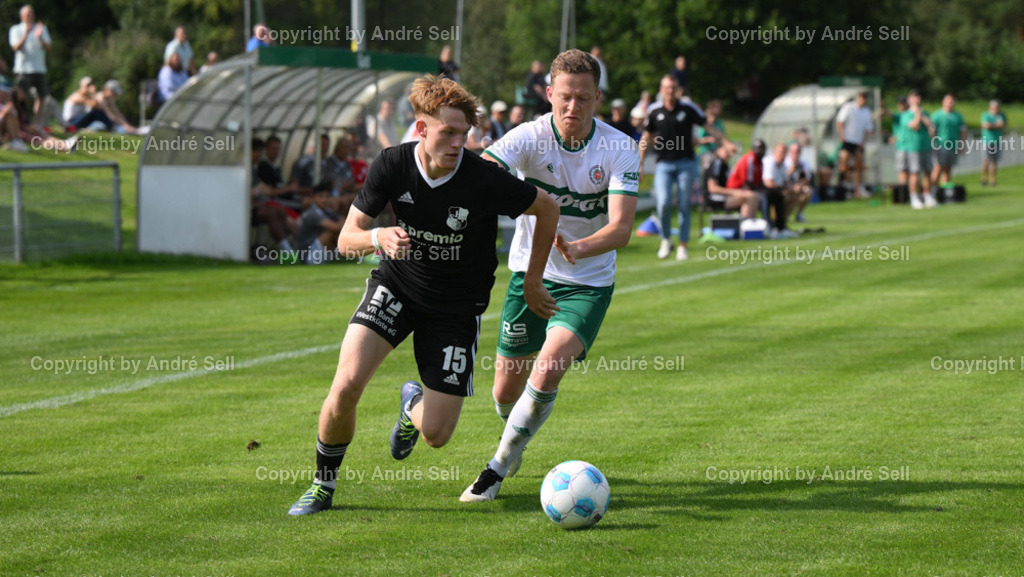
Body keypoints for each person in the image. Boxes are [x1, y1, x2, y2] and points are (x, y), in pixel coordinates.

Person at [287, 74, 559, 516]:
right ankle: (322, 486)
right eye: (448, 132)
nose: (457, 143)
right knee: (346, 384)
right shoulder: (392, 165)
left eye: (463, 134)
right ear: (421, 129)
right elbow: (345, 239)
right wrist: (378, 236)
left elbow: (547, 207)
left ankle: (411, 400)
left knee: (437, 434)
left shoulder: (482, 179)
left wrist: (532, 280)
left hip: (455, 308)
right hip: (397, 287)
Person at [460, 48, 641, 503]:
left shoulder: (619, 147)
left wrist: (577, 247)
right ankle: (514, 436)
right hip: (529, 272)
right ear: (549, 94)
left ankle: (495, 469)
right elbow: (485, 171)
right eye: (565, 97)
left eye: (583, 98)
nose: (573, 108)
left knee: (549, 367)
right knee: (504, 392)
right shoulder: (529, 137)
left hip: (588, 280)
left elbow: (620, 229)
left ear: (597, 97)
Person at [640, 75, 725, 261]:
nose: (670, 91)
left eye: (673, 87)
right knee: (662, 203)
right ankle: (666, 239)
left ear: (677, 89)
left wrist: (724, 141)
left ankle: (683, 244)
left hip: (686, 163)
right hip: (663, 164)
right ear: (661, 90)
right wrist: (639, 165)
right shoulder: (654, 110)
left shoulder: (688, 108)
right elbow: (645, 138)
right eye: (667, 87)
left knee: (684, 205)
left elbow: (707, 126)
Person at [250, 138, 295, 255]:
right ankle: (287, 251)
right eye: (256, 151)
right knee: (271, 213)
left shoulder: (254, 169)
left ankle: (290, 245)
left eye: (260, 151)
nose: (258, 154)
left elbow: (263, 189)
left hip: (257, 204)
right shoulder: (244, 170)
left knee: (278, 210)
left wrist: (260, 191)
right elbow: (250, 193)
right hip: (247, 209)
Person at [9, 5, 51, 121]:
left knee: (42, 96)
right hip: (23, 69)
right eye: (27, 14)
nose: (30, 16)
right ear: (22, 16)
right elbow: (15, 47)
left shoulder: (41, 28)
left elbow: (48, 47)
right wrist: (26, 33)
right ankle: (23, 120)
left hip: (39, 68)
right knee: (22, 97)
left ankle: (37, 122)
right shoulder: (16, 29)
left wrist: (40, 37)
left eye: (31, 13)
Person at [704, 142, 759, 219]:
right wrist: (735, 192)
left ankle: (748, 225)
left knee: (753, 196)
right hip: (713, 198)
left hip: (724, 195)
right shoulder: (717, 163)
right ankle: (746, 225)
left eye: (729, 151)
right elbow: (712, 188)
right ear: (718, 150)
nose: (728, 153)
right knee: (749, 197)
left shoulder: (725, 165)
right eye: (725, 150)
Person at [835, 91, 874, 198]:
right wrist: (841, 136)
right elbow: (840, 122)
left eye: (865, 98)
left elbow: (868, 129)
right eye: (861, 97)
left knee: (859, 166)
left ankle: (858, 189)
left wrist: (863, 141)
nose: (863, 100)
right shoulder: (848, 107)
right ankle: (844, 186)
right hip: (847, 140)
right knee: (844, 162)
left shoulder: (867, 111)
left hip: (859, 142)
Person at [902, 90, 935, 209]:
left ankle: (927, 196)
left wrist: (921, 114)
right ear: (909, 100)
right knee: (915, 172)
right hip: (913, 147)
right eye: (914, 97)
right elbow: (915, 125)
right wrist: (917, 114)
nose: (917, 100)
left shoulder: (925, 113)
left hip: (926, 146)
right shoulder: (906, 115)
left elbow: (931, 126)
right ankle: (914, 197)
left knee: (928, 172)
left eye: (918, 97)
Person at [295, 183, 343, 265]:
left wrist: (340, 216)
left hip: (318, 250)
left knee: (337, 232)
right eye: (321, 196)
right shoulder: (312, 213)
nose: (324, 200)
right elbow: (338, 227)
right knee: (331, 232)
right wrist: (341, 218)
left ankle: (348, 255)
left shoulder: (327, 210)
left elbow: (343, 222)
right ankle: (354, 255)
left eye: (327, 197)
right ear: (313, 198)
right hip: (308, 255)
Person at [930, 93, 967, 194]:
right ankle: (932, 191)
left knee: (948, 169)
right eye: (949, 100)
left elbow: (963, 131)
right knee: (938, 168)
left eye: (952, 101)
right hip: (941, 145)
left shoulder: (957, 116)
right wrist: (934, 144)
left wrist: (962, 145)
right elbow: (932, 131)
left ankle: (944, 192)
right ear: (943, 102)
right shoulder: (937, 115)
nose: (951, 103)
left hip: (953, 146)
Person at [761, 142, 799, 238]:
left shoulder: (782, 164)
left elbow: (785, 181)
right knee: (778, 196)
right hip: (763, 190)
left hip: (775, 191)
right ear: (775, 152)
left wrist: (794, 188)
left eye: (785, 153)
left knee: (792, 195)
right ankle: (771, 227)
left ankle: (781, 226)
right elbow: (768, 183)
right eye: (781, 152)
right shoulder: (769, 162)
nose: (783, 155)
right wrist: (784, 188)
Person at [783, 142, 813, 223]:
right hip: (787, 187)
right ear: (790, 152)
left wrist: (800, 185)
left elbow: (807, 178)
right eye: (794, 152)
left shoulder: (803, 163)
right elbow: (782, 178)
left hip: (798, 186)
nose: (795, 154)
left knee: (808, 191)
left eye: (797, 152)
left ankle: (799, 213)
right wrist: (791, 169)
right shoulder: (785, 162)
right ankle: (783, 217)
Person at [980, 99, 1006, 187]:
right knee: (986, 160)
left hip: (997, 141)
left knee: (994, 161)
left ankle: (992, 180)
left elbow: (1002, 124)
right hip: (987, 141)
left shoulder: (1001, 115)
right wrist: (996, 125)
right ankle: (984, 178)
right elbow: (986, 126)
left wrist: (992, 125)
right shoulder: (985, 115)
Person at [696, 99, 726, 164]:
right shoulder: (704, 125)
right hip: (706, 152)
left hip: (717, 151)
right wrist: (709, 140)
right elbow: (699, 139)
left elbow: (723, 136)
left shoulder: (719, 123)